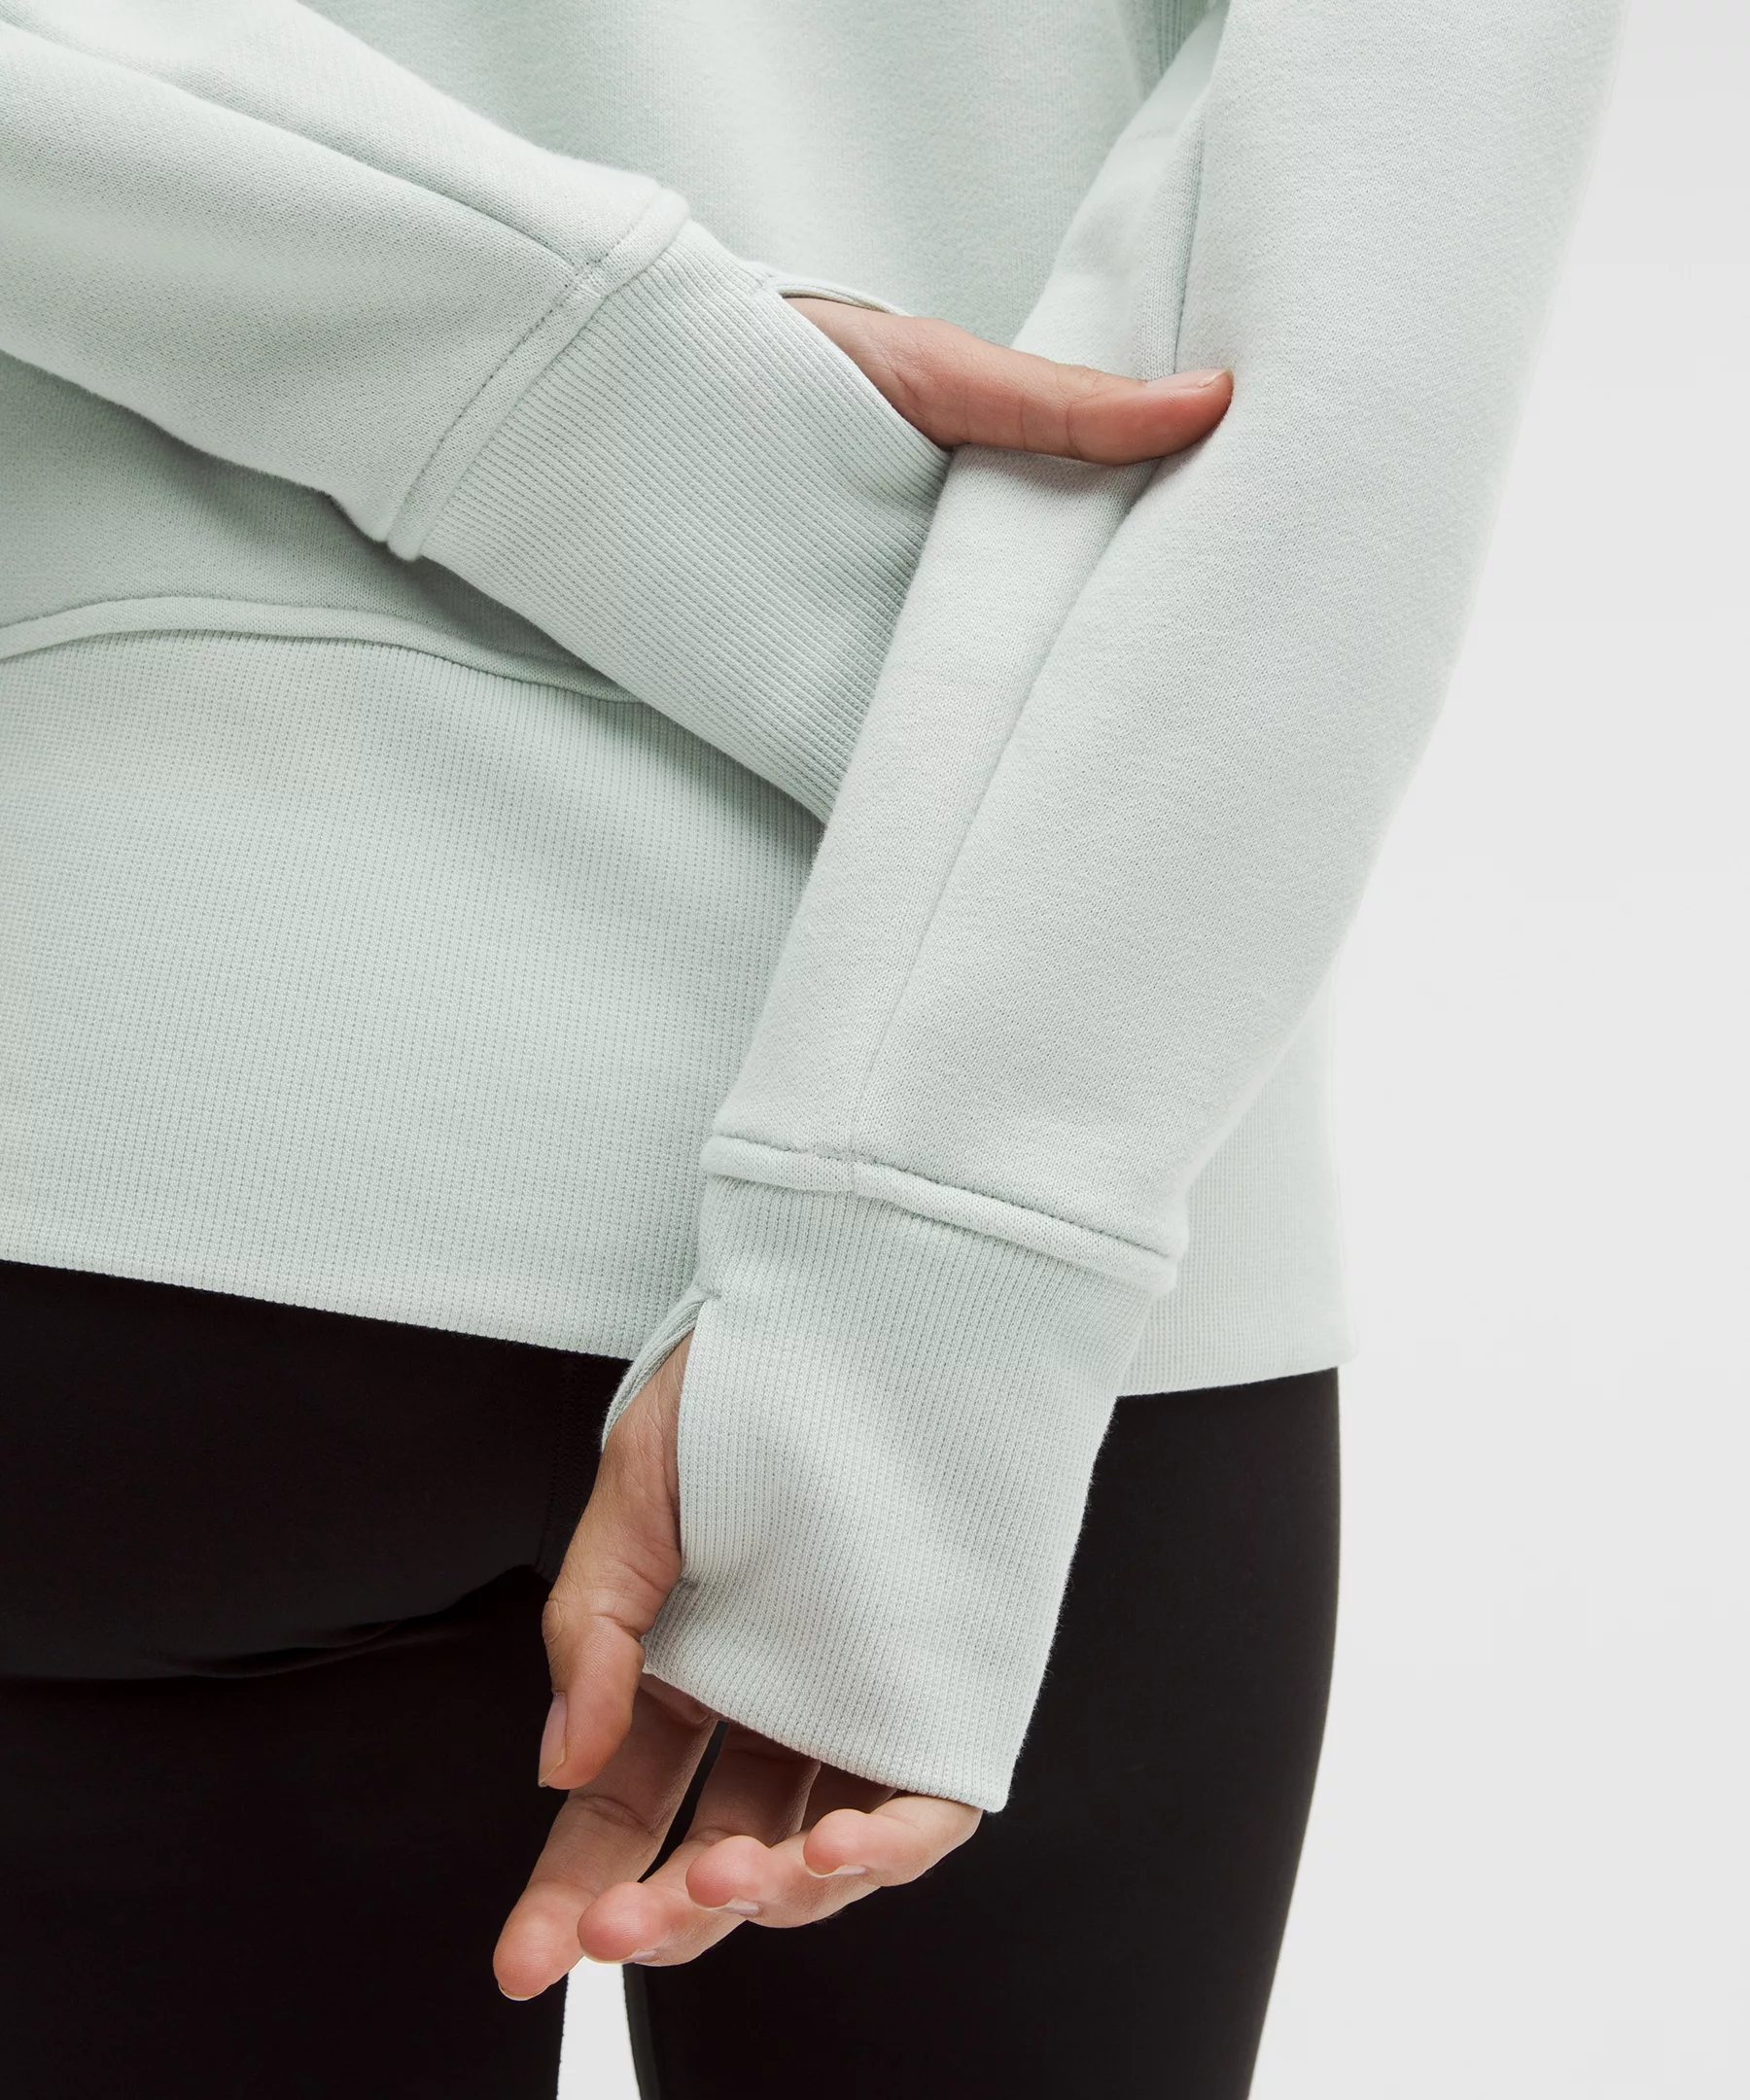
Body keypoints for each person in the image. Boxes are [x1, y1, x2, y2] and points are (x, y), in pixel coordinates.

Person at [0, 2, 1621, 2094]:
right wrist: (949, 1242)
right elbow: (1370, 294)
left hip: (156, 1092)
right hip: (1069, 1207)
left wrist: (621, 390)